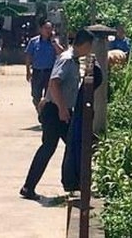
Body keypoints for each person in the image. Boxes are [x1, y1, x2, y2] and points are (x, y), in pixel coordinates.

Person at [20, 28, 95, 201]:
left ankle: (71, 183)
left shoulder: (72, 59)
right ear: (85, 45)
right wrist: (62, 108)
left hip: (60, 110)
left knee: (72, 144)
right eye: (90, 46)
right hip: (55, 111)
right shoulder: (67, 60)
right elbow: (54, 83)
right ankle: (30, 187)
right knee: (51, 147)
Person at [25, 20, 65, 110]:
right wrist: (28, 71)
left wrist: (54, 43)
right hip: (37, 72)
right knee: (36, 96)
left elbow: (62, 53)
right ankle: (39, 111)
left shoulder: (55, 42)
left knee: (49, 96)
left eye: (50, 28)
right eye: (46, 28)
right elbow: (28, 56)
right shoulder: (34, 41)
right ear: (41, 29)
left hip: (50, 72)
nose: (48, 30)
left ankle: (44, 114)